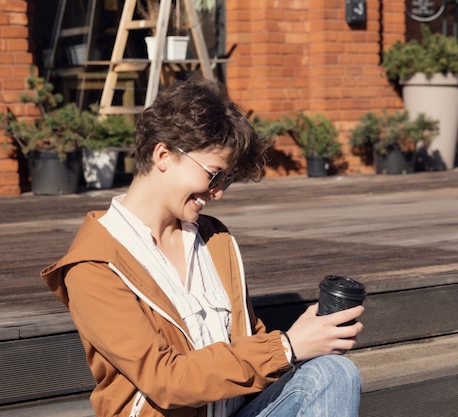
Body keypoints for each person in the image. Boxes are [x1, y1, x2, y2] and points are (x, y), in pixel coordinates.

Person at [42, 76, 364, 417]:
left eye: (225, 180)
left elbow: (246, 337)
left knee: (332, 374)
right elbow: (164, 379)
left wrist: (312, 338)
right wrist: (286, 347)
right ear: (163, 154)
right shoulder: (94, 266)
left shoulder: (214, 240)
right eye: (213, 175)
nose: (218, 192)